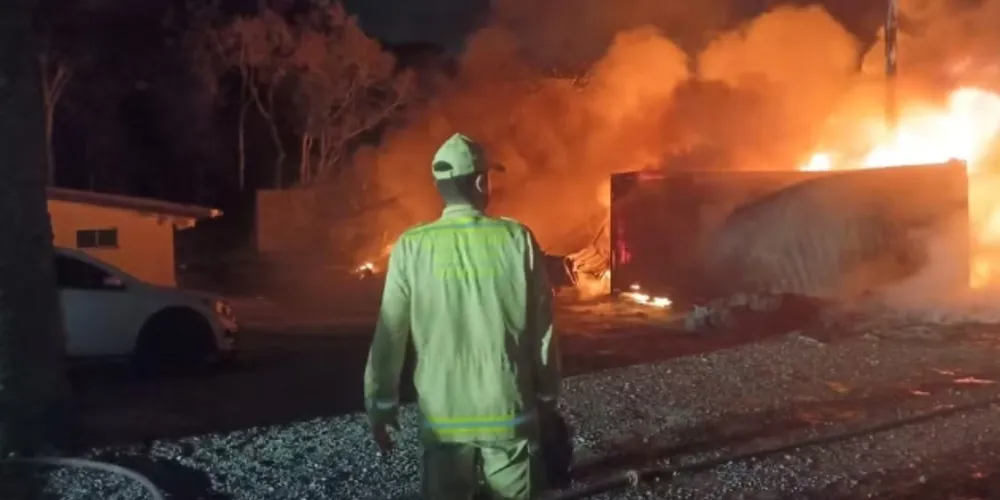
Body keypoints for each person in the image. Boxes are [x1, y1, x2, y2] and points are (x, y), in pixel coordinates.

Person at [364, 133, 561, 499]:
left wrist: (381, 406)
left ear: (440, 187)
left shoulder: (412, 246)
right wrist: (548, 396)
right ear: (482, 181)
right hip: (507, 411)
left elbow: (390, 334)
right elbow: (542, 331)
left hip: (443, 418)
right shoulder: (517, 239)